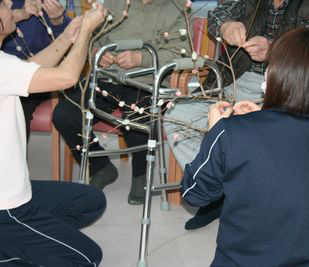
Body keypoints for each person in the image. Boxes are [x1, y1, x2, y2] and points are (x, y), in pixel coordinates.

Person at [181, 27, 309, 267]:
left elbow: (194, 193)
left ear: (273, 76)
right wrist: (260, 118)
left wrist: (214, 132)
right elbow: (293, 175)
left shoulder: (231, 133)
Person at [165, 0, 309, 230]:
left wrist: (274, 49)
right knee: (178, 112)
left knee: (251, 130)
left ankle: (236, 192)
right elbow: (218, 14)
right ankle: (221, 188)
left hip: (283, 89)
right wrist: (225, 26)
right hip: (232, 81)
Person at [0, 0, 107, 265]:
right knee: (87, 257)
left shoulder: (5, 65)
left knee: (90, 201)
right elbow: (67, 77)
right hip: (5, 207)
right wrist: (85, 32)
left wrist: (68, 37)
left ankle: (23, 242)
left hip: (17, 192)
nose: (12, 6)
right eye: (4, 4)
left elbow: (31, 67)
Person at [52, 0, 190, 204]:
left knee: (135, 117)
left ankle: (140, 174)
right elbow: (92, 38)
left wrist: (140, 58)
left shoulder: (177, 8)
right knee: (64, 114)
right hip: (108, 77)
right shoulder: (116, 3)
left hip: (147, 80)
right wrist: (98, 53)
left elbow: (181, 52)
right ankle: (99, 165)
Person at [3, 0, 70, 139]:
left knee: (18, 105)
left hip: (40, 74)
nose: (8, 4)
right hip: (9, 75)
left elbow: (67, 41)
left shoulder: (40, 3)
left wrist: (58, 20)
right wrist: (20, 14)